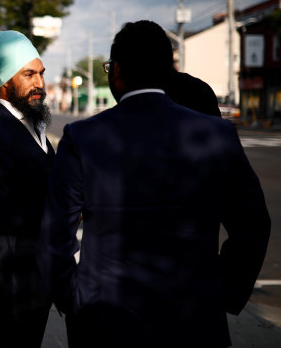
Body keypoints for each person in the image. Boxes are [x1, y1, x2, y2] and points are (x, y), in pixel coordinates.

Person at [39, 20, 270, 348]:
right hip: (195, 319)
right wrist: (222, 293)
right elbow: (253, 225)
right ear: (168, 70)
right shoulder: (216, 135)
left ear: (116, 71)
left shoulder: (82, 137)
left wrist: (73, 301)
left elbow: (55, 239)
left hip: (106, 320)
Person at [0, 30, 55, 348]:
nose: (39, 83)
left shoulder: (31, 126)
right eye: (29, 74)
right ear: (5, 82)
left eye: (41, 74)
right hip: (12, 277)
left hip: (34, 273)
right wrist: (61, 212)